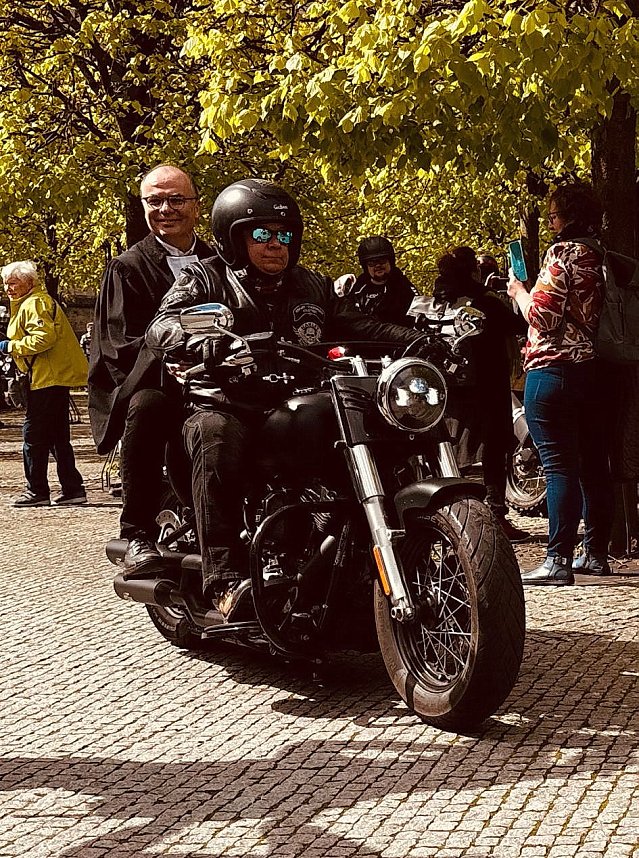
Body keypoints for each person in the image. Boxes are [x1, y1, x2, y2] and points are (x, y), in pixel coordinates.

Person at [146, 178, 420, 615]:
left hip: (293, 400)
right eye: (262, 234)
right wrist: (198, 341)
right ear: (234, 236)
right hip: (226, 400)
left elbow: (360, 324)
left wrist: (414, 340)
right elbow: (161, 324)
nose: (276, 244)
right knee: (216, 436)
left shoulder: (312, 285)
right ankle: (225, 579)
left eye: (284, 234)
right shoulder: (204, 277)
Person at [88, 164, 213, 571]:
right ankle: (136, 531)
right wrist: (174, 355)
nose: (166, 209)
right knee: (146, 407)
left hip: (225, 377)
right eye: (154, 201)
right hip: (161, 380)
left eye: (176, 199)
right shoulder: (127, 267)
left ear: (197, 206)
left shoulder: (222, 260)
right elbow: (118, 345)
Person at [507, 182, 613, 584]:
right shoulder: (602, 257)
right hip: (597, 370)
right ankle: (596, 553)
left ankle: (557, 560)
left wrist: (518, 291)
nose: (550, 221)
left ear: (566, 216)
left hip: (554, 368)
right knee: (594, 466)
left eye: (552, 215)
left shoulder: (563, 254)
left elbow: (542, 317)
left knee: (558, 466)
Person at [433, 246, 529, 543]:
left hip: (450, 390)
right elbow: (520, 325)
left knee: (452, 453)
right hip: (489, 386)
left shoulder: (437, 304)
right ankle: (496, 516)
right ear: (473, 272)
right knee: (494, 450)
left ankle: (453, 519)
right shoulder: (488, 303)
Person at [0, 261, 88, 506]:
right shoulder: (33, 302)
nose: (8, 288)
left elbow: (44, 338)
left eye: (13, 283)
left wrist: (11, 346)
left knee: (34, 435)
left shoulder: (35, 303)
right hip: (52, 376)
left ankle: (37, 490)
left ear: (29, 282)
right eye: (6, 284)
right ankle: (73, 489)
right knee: (58, 436)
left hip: (47, 378)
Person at [334, 236, 417, 325]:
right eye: (372, 263)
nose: (378, 266)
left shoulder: (404, 288)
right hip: (358, 336)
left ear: (390, 262)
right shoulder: (357, 289)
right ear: (365, 266)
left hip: (393, 336)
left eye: (382, 261)